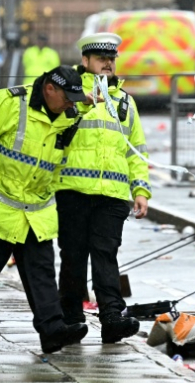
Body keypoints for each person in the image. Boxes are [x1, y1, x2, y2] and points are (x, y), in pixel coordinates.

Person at [0, 65, 89, 354]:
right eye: (67, 97)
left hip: (35, 211)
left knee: (42, 274)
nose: (70, 104)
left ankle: (52, 331)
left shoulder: (68, 115)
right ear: (49, 89)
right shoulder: (10, 102)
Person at [54, 32, 151, 344]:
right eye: (100, 59)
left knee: (106, 255)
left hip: (112, 195)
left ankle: (112, 317)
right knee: (73, 256)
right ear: (85, 61)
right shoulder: (69, 93)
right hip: (73, 190)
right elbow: (55, 129)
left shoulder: (125, 102)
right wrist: (82, 102)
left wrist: (141, 190)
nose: (107, 64)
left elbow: (136, 150)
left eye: (111, 59)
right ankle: (70, 319)